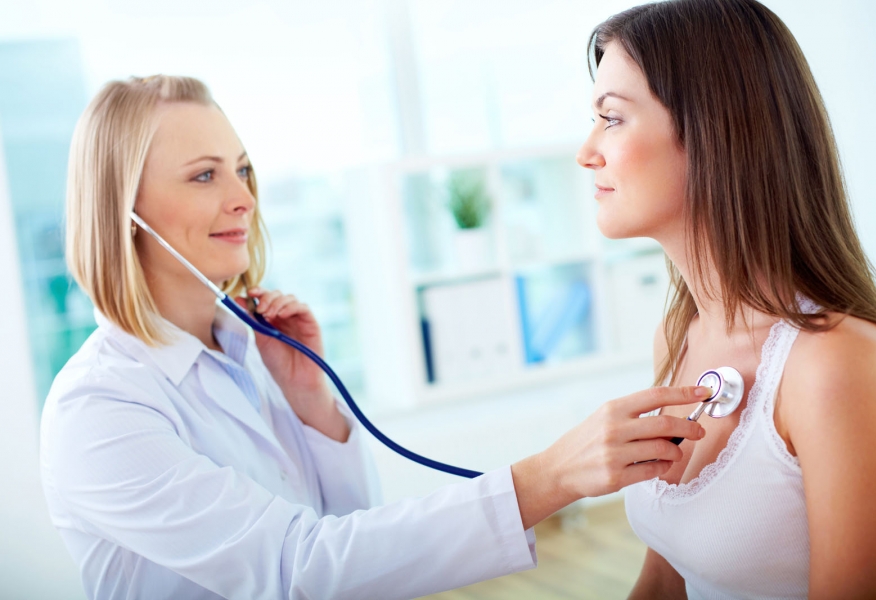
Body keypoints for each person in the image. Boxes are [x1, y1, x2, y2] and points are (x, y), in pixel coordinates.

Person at [40, 74, 708, 600]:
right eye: (203, 174)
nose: (243, 197)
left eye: (241, 170)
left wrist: (312, 404)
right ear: (124, 212)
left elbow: (349, 534)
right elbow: (299, 569)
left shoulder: (245, 353)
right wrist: (552, 475)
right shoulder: (99, 409)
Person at [576, 0, 876, 598]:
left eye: (612, 118)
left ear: (713, 131)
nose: (586, 151)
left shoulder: (837, 364)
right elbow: (665, 578)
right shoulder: (679, 336)